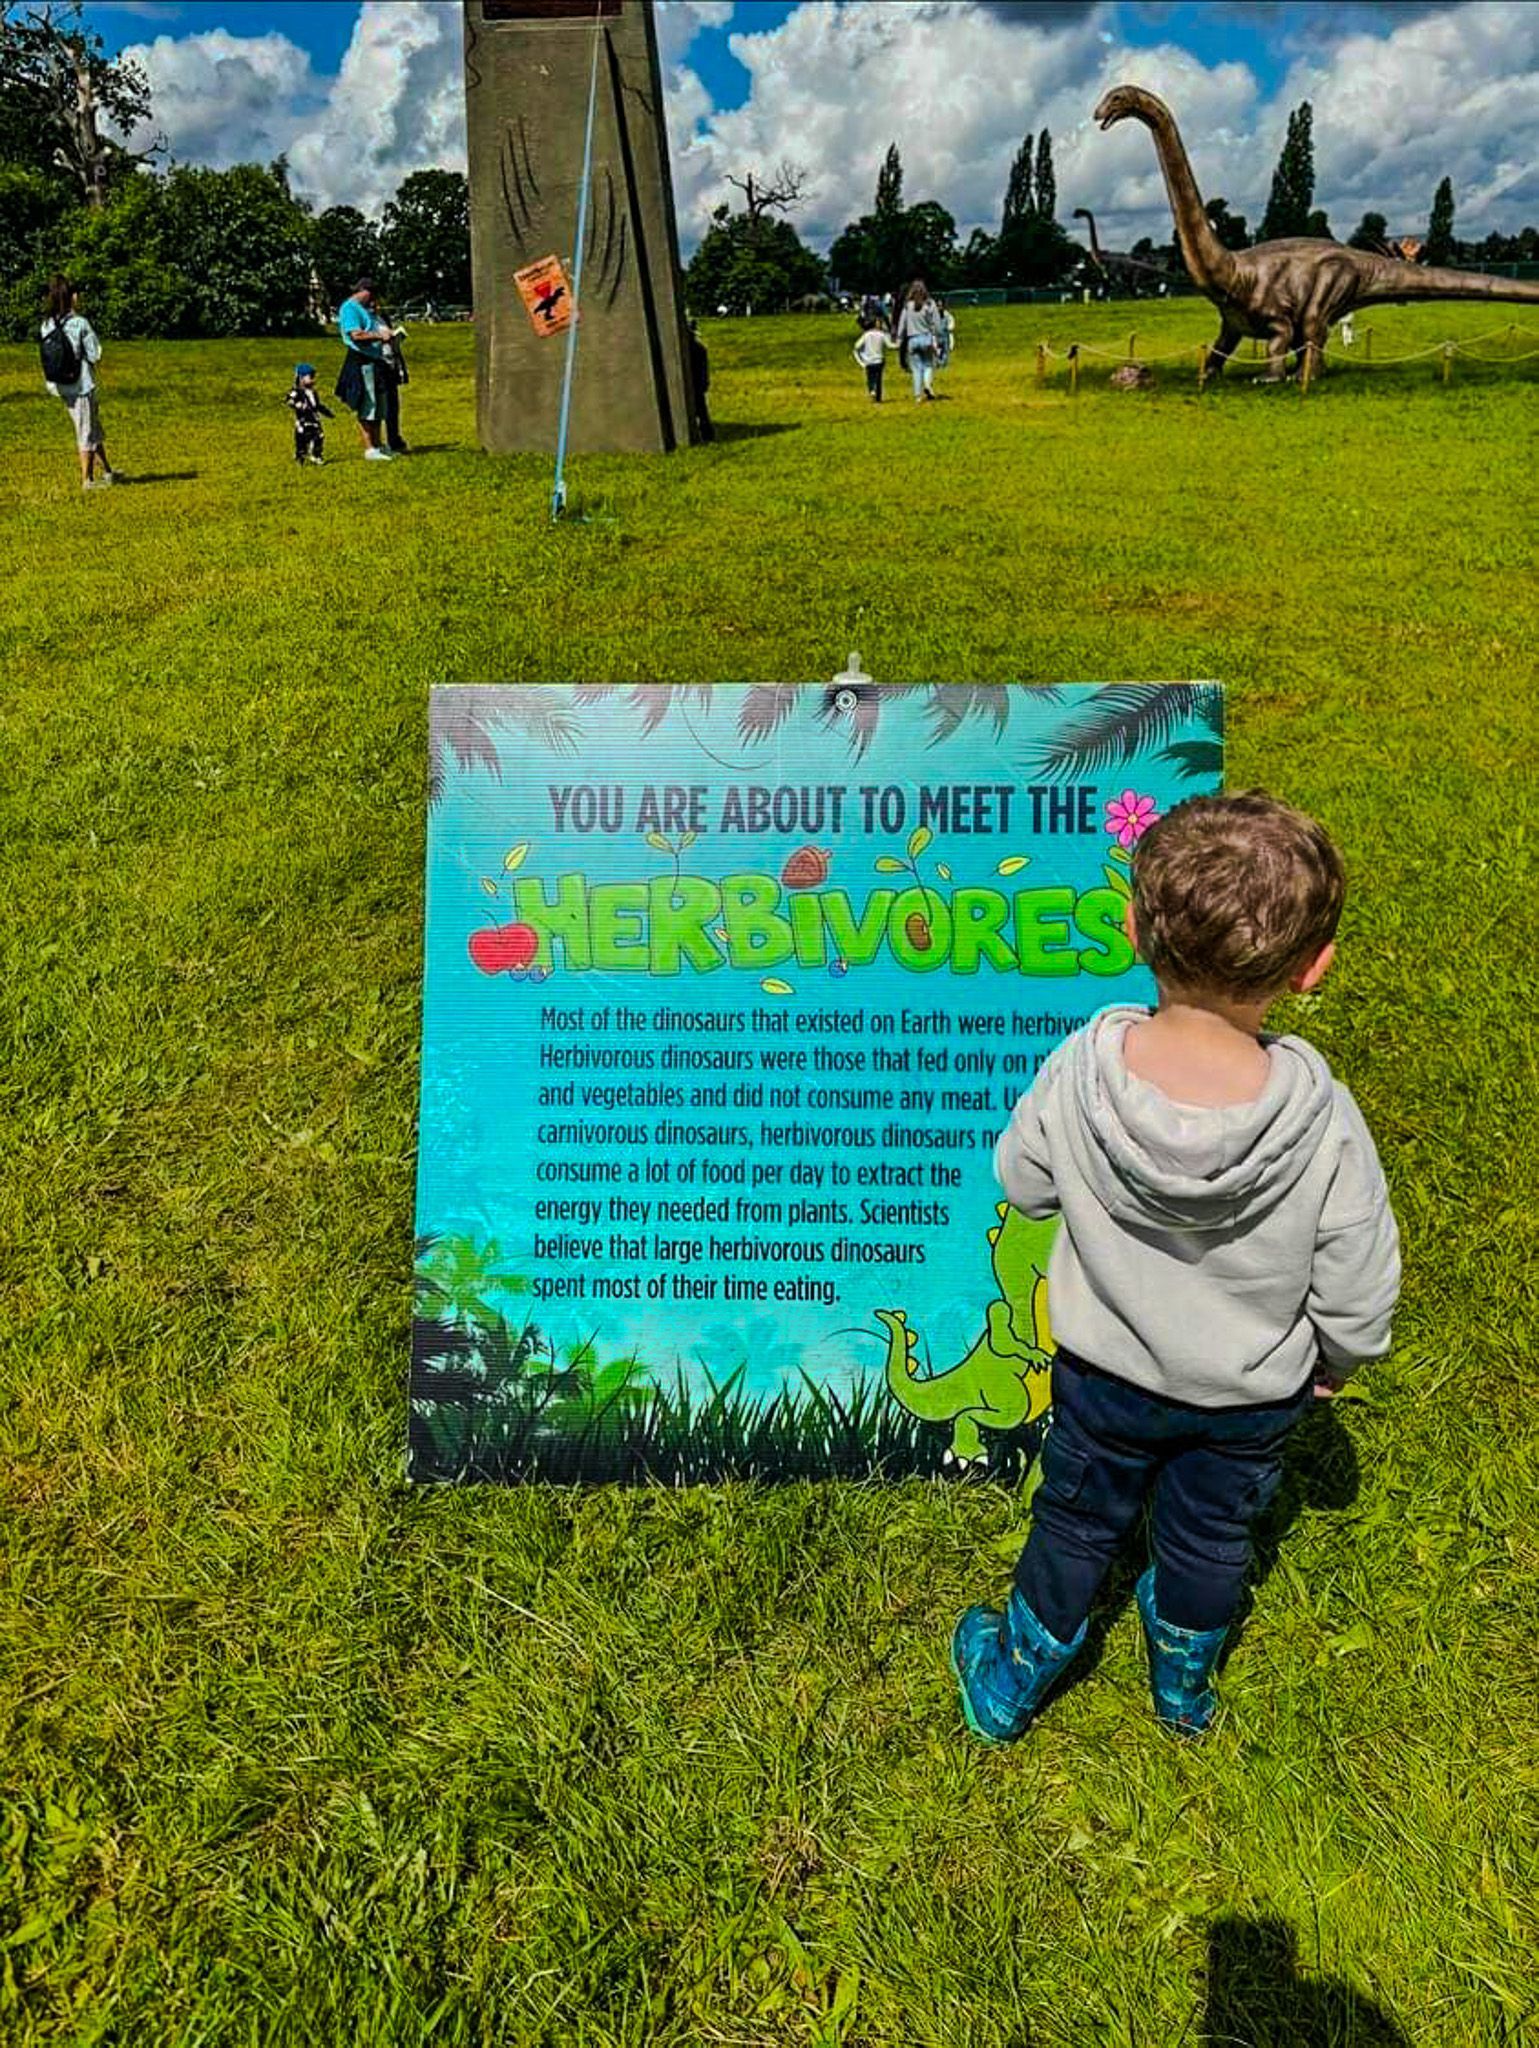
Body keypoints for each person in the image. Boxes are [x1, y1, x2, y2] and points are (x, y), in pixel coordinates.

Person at [952, 792, 1401, 1744]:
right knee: (1209, 1538)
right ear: (1313, 968)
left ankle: (1009, 1683)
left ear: (1129, 926)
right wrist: (1337, 1363)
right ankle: (1182, 1695)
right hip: (1248, 1396)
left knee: (1074, 1524)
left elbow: (1023, 1184)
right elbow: (1359, 1284)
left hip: (1102, 1375)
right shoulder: (1321, 1123)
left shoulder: (1081, 1069)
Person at [39, 275, 115, 490]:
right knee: (86, 431)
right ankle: (87, 480)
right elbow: (95, 353)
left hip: (60, 385)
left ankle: (108, 470)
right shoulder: (80, 323)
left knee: (92, 427)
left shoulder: (47, 324)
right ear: (70, 297)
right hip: (81, 385)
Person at [334, 277, 402, 460]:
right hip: (362, 360)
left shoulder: (365, 309)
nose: (373, 299)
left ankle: (379, 445)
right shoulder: (349, 308)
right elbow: (356, 335)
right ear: (363, 290)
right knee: (368, 404)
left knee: (380, 405)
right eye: (371, 294)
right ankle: (369, 447)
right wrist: (380, 336)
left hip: (376, 359)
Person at [895, 281, 944, 401]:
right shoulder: (930, 304)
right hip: (926, 338)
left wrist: (899, 338)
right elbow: (936, 323)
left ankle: (917, 395)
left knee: (916, 369)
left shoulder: (908, 305)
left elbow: (902, 323)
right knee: (928, 365)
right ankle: (927, 385)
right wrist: (938, 336)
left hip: (912, 340)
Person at [285, 362, 334, 465]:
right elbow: (289, 400)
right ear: (301, 378)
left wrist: (327, 413)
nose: (313, 379)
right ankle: (300, 456)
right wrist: (297, 404)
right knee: (302, 438)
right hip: (303, 420)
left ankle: (316, 455)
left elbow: (317, 405)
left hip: (314, 420)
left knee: (319, 436)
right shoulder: (297, 391)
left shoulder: (313, 392)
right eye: (310, 377)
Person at [852, 311, 897, 402]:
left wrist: (861, 361)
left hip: (868, 361)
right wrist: (899, 345)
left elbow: (856, 346)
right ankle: (878, 397)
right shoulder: (881, 334)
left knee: (870, 378)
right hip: (879, 360)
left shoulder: (866, 335)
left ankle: (872, 390)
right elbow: (890, 345)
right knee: (879, 379)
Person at [687, 319, 715, 443]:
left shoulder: (696, 349)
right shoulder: (699, 348)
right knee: (702, 410)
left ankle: (707, 434)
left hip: (695, 383)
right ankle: (707, 435)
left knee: (701, 411)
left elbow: (703, 368)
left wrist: (703, 381)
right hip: (697, 383)